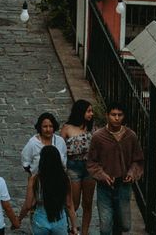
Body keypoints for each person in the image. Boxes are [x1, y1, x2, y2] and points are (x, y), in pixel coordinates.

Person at [86, 103, 144, 235]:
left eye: (120, 115)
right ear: (107, 116)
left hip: (124, 185)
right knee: (105, 226)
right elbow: (92, 162)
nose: (116, 118)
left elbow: (138, 160)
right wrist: (102, 175)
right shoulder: (98, 137)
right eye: (113, 115)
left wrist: (132, 173)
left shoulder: (131, 136)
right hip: (105, 186)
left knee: (124, 224)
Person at [23, 136, 75, 235]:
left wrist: (18, 219)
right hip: (59, 221)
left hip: (40, 220)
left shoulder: (35, 179)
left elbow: (28, 205)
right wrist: (74, 227)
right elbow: (69, 204)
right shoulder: (65, 178)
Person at [61, 100, 97, 235]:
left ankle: (85, 232)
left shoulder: (93, 128)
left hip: (89, 168)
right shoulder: (67, 128)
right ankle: (70, 227)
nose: (91, 114)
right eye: (88, 111)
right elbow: (61, 149)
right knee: (73, 203)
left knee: (87, 202)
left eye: (91, 111)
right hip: (73, 168)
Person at [21, 111, 68, 176]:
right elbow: (26, 163)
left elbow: (64, 159)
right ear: (40, 127)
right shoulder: (33, 143)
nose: (48, 129)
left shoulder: (60, 141)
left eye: (51, 126)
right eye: (45, 126)